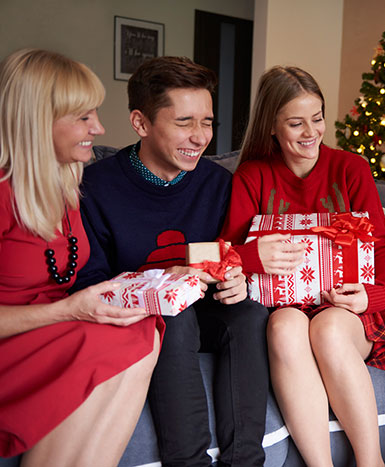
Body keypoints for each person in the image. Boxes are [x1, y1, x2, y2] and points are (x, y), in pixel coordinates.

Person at [72, 56, 269, 467]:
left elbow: (230, 253)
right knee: (174, 314)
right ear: (141, 123)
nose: (200, 138)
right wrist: (163, 284)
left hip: (208, 311)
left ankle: (245, 462)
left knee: (249, 313)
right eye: (184, 122)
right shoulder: (96, 186)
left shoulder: (218, 183)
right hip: (140, 319)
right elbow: (87, 283)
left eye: (207, 122)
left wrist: (234, 277)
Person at [219, 66, 385, 467]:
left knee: (326, 329)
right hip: (285, 303)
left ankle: (369, 462)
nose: (310, 131)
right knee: (284, 327)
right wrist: (255, 257)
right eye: (295, 122)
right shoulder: (253, 175)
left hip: (346, 306)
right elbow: (226, 255)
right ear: (271, 126)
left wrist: (374, 296)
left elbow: (380, 245)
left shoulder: (350, 168)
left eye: (318, 117)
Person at [0, 49, 160, 466]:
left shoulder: (66, 185)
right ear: (38, 122)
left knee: (144, 329)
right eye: (83, 117)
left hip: (45, 332)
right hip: (12, 342)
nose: (100, 128)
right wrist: (69, 310)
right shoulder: (2, 194)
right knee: (117, 335)